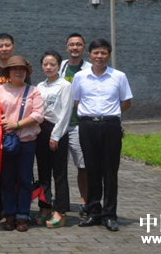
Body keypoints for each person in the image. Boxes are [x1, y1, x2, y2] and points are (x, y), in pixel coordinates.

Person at [74, 39, 133, 232]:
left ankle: (109, 215)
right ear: (89, 55)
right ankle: (93, 212)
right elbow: (76, 101)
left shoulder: (119, 76)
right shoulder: (80, 77)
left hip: (110, 125)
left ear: (109, 55)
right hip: (87, 125)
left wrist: (110, 115)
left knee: (110, 171)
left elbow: (126, 102)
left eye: (103, 53)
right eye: (96, 53)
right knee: (91, 169)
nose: (99, 56)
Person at [0, 55, 44, 232]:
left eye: (22, 69)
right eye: (14, 69)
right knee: (6, 180)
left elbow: (38, 115)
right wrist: (3, 120)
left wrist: (17, 124)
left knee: (24, 179)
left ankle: (23, 215)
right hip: (6, 142)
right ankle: (9, 214)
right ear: (8, 72)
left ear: (26, 72)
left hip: (27, 141)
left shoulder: (33, 91)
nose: (18, 72)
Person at [0, 32, 28, 222]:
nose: (4, 49)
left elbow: (27, 97)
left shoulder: (20, 68)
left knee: (16, 172)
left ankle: (16, 207)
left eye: (7, 45)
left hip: (17, 129)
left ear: (13, 47)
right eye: (0, 46)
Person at [35, 51, 72, 228]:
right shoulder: (40, 86)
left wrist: (55, 136)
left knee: (59, 173)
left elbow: (65, 113)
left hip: (57, 130)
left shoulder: (65, 85)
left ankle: (61, 211)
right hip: (40, 130)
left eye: (52, 64)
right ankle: (45, 207)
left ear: (59, 66)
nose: (49, 67)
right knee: (43, 172)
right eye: (45, 64)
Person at [59, 33, 92, 218]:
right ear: (66, 47)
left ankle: (84, 200)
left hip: (78, 124)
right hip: (60, 124)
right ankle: (61, 201)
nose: (75, 47)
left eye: (78, 44)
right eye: (71, 44)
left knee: (82, 165)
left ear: (83, 48)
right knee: (59, 166)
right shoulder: (61, 66)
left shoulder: (89, 69)